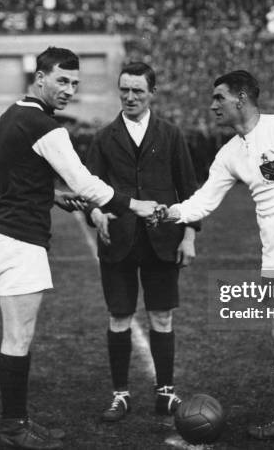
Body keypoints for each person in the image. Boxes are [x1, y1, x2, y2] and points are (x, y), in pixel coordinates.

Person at [0, 47, 158, 450]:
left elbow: (16, 175)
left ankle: (19, 419)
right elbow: (86, 183)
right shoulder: (44, 126)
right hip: (18, 238)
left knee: (18, 336)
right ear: (39, 77)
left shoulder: (13, 114)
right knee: (17, 338)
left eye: (75, 84)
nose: (69, 90)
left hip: (7, 234)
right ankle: (13, 426)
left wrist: (52, 194)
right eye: (62, 80)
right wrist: (133, 204)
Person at [157, 70, 274, 450]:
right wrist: (169, 212)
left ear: (241, 98)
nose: (212, 106)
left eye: (219, 98)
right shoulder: (230, 152)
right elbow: (202, 202)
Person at [85, 62, 200, 422]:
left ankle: (165, 392)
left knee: (161, 315)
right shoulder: (104, 137)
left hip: (162, 240)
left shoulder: (170, 135)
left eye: (137, 90)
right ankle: (120, 395)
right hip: (117, 240)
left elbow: (189, 190)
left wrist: (191, 235)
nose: (130, 96)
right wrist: (96, 214)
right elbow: (91, 190)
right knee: (119, 315)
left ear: (152, 93)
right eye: (125, 89)